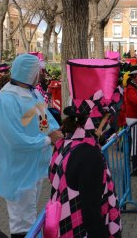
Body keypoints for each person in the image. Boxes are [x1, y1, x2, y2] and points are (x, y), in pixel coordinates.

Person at [0, 53, 62, 238]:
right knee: (22, 222)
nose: (41, 75)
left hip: (32, 167)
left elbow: (39, 118)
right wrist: (47, 139)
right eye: (38, 71)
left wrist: (53, 131)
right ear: (28, 73)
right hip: (18, 170)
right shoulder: (7, 99)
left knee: (29, 217)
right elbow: (14, 139)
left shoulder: (31, 92)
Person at [50, 79, 122, 237]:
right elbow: (91, 212)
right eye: (106, 119)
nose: (108, 123)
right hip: (80, 231)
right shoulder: (89, 153)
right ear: (94, 121)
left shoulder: (66, 144)